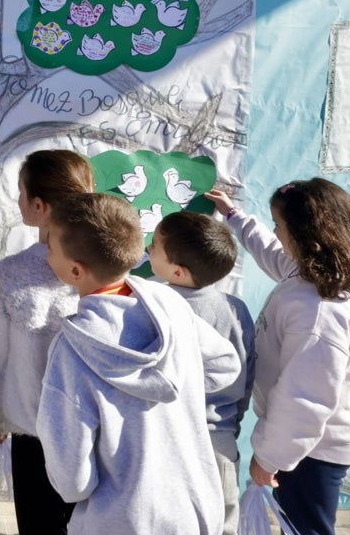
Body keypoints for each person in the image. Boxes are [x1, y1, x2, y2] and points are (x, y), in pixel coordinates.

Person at [37, 192, 239, 535]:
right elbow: (224, 365)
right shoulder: (169, 303)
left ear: (74, 270)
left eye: (50, 246)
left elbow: (73, 483)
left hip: (121, 519)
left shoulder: (71, 351)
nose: (46, 253)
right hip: (194, 508)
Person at [207, 180, 350, 535]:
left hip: (313, 448)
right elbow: (271, 251)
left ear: (306, 239)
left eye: (279, 225)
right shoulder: (313, 275)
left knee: (307, 528)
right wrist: (234, 216)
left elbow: (306, 398)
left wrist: (270, 458)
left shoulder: (318, 311)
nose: (275, 232)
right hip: (303, 441)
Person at [0, 148, 93, 534]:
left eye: (21, 192)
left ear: (39, 206)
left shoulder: (10, 274)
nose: (17, 200)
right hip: (94, 434)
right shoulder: (107, 271)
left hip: (33, 434)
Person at [147, 210, 257, 535]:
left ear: (177, 271)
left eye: (154, 245)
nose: (147, 248)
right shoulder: (236, 310)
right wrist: (230, 426)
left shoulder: (154, 306)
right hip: (219, 439)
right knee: (221, 526)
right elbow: (246, 379)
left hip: (163, 440)